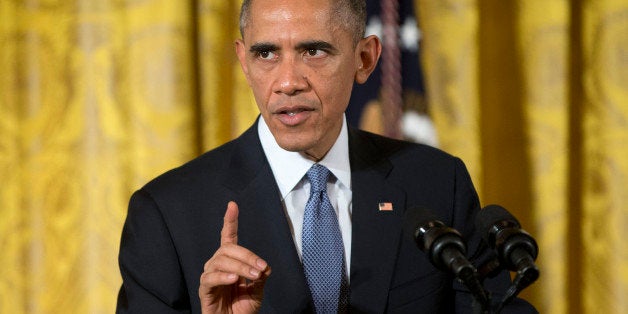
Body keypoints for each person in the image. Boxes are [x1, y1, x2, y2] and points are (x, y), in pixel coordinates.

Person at [116, 0, 537, 313]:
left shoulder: (436, 183)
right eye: (266, 54)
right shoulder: (167, 214)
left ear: (365, 58)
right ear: (243, 61)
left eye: (313, 51)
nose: (287, 82)